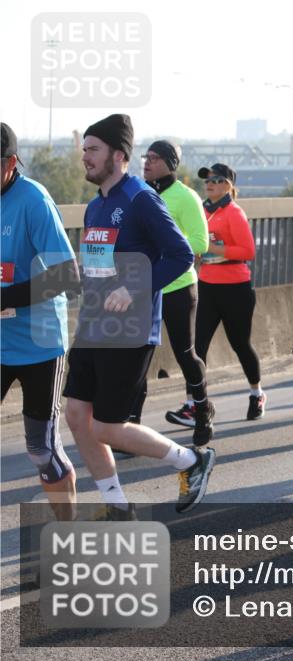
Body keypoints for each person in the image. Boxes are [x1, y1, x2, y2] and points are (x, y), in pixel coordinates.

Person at [63, 114, 215, 519]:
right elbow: (101, 265)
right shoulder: (96, 206)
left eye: (93, 150)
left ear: (119, 155)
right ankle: (117, 506)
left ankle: (191, 460)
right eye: (84, 150)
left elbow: (181, 254)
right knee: (77, 416)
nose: (85, 157)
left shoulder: (141, 198)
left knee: (107, 428)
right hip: (93, 326)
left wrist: (133, 288)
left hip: (129, 330)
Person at [0, 122, 80, 521]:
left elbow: (67, 275)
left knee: (41, 450)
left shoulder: (34, 200)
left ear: (10, 163)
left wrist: (4, 299)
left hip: (39, 343)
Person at [128, 140, 215, 444]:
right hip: (145, 287)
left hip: (178, 286)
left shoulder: (185, 196)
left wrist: (163, 246)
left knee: (185, 354)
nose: (147, 162)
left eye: (154, 158)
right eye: (145, 156)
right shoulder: (140, 193)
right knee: (138, 356)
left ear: (170, 163)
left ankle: (202, 410)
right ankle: (131, 426)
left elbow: (201, 242)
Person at [194, 163, 266, 420]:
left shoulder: (234, 212)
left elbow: (248, 251)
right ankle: (196, 403)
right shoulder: (202, 211)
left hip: (235, 288)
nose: (209, 184)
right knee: (197, 347)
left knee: (240, 344)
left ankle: (256, 393)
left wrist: (213, 248)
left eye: (215, 180)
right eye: (207, 180)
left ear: (228, 185)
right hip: (206, 285)